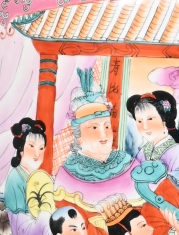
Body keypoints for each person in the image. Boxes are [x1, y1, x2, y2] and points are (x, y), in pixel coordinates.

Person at [54, 65, 136, 205]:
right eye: (94, 128)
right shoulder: (67, 175)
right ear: (78, 135)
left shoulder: (128, 164)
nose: (103, 135)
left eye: (107, 126)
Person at [126, 90, 179, 177]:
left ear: (164, 119)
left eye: (150, 119)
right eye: (139, 121)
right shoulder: (143, 151)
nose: (145, 127)